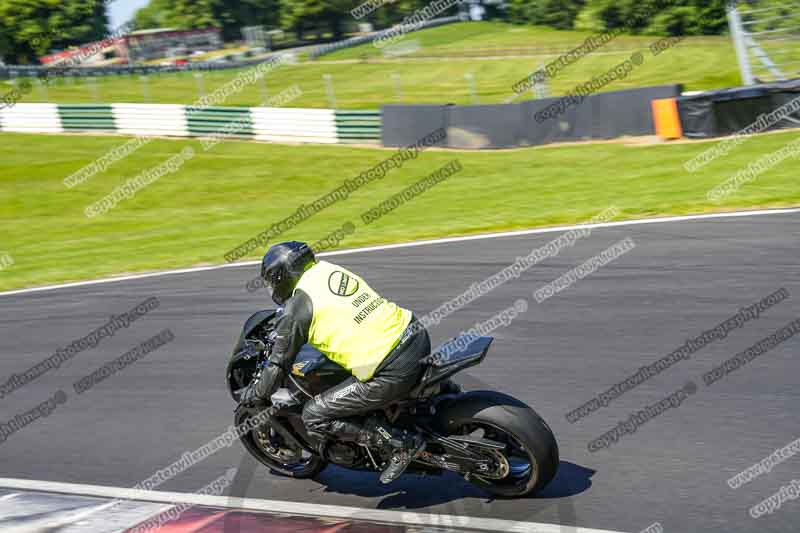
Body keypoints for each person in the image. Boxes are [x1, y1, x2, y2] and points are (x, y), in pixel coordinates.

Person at [241, 241, 430, 484]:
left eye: (272, 280)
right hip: (414, 334)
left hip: (391, 370)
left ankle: (399, 444)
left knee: (314, 414)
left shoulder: (299, 307)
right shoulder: (327, 271)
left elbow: (279, 362)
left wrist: (257, 395)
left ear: (282, 276)